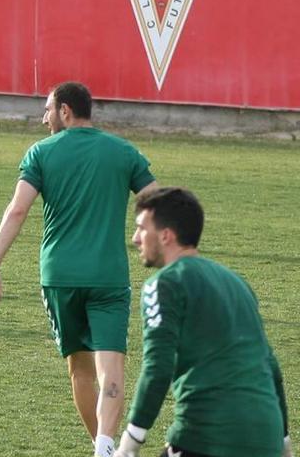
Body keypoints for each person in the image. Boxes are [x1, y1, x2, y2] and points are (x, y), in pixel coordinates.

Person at [0, 82, 157, 457]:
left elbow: (17, 210)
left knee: (80, 370)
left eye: (47, 110)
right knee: (111, 369)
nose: (43, 118)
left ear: (65, 111)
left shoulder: (41, 153)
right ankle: (108, 447)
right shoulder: (123, 152)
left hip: (59, 277)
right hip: (109, 277)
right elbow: (158, 203)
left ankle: (102, 448)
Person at [115, 187, 292, 457]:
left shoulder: (164, 283)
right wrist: (283, 441)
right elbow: (270, 364)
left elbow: (158, 366)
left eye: (141, 228)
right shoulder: (238, 283)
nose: (135, 238)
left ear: (165, 235)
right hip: (266, 435)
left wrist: (131, 440)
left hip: (207, 434)